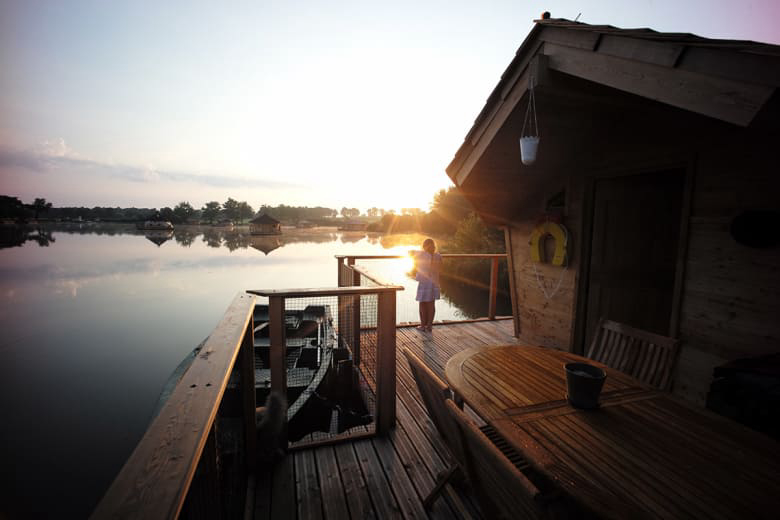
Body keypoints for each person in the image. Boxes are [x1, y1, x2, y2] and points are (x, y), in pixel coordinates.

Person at [411, 238, 442, 332]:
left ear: (424, 246)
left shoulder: (421, 254)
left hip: (424, 282)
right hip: (434, 283)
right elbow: (441, 268)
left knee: (422, 304)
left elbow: (410, 253)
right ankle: (429, 326)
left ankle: (422, 326)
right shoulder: (438, 255)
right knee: (431, 304)